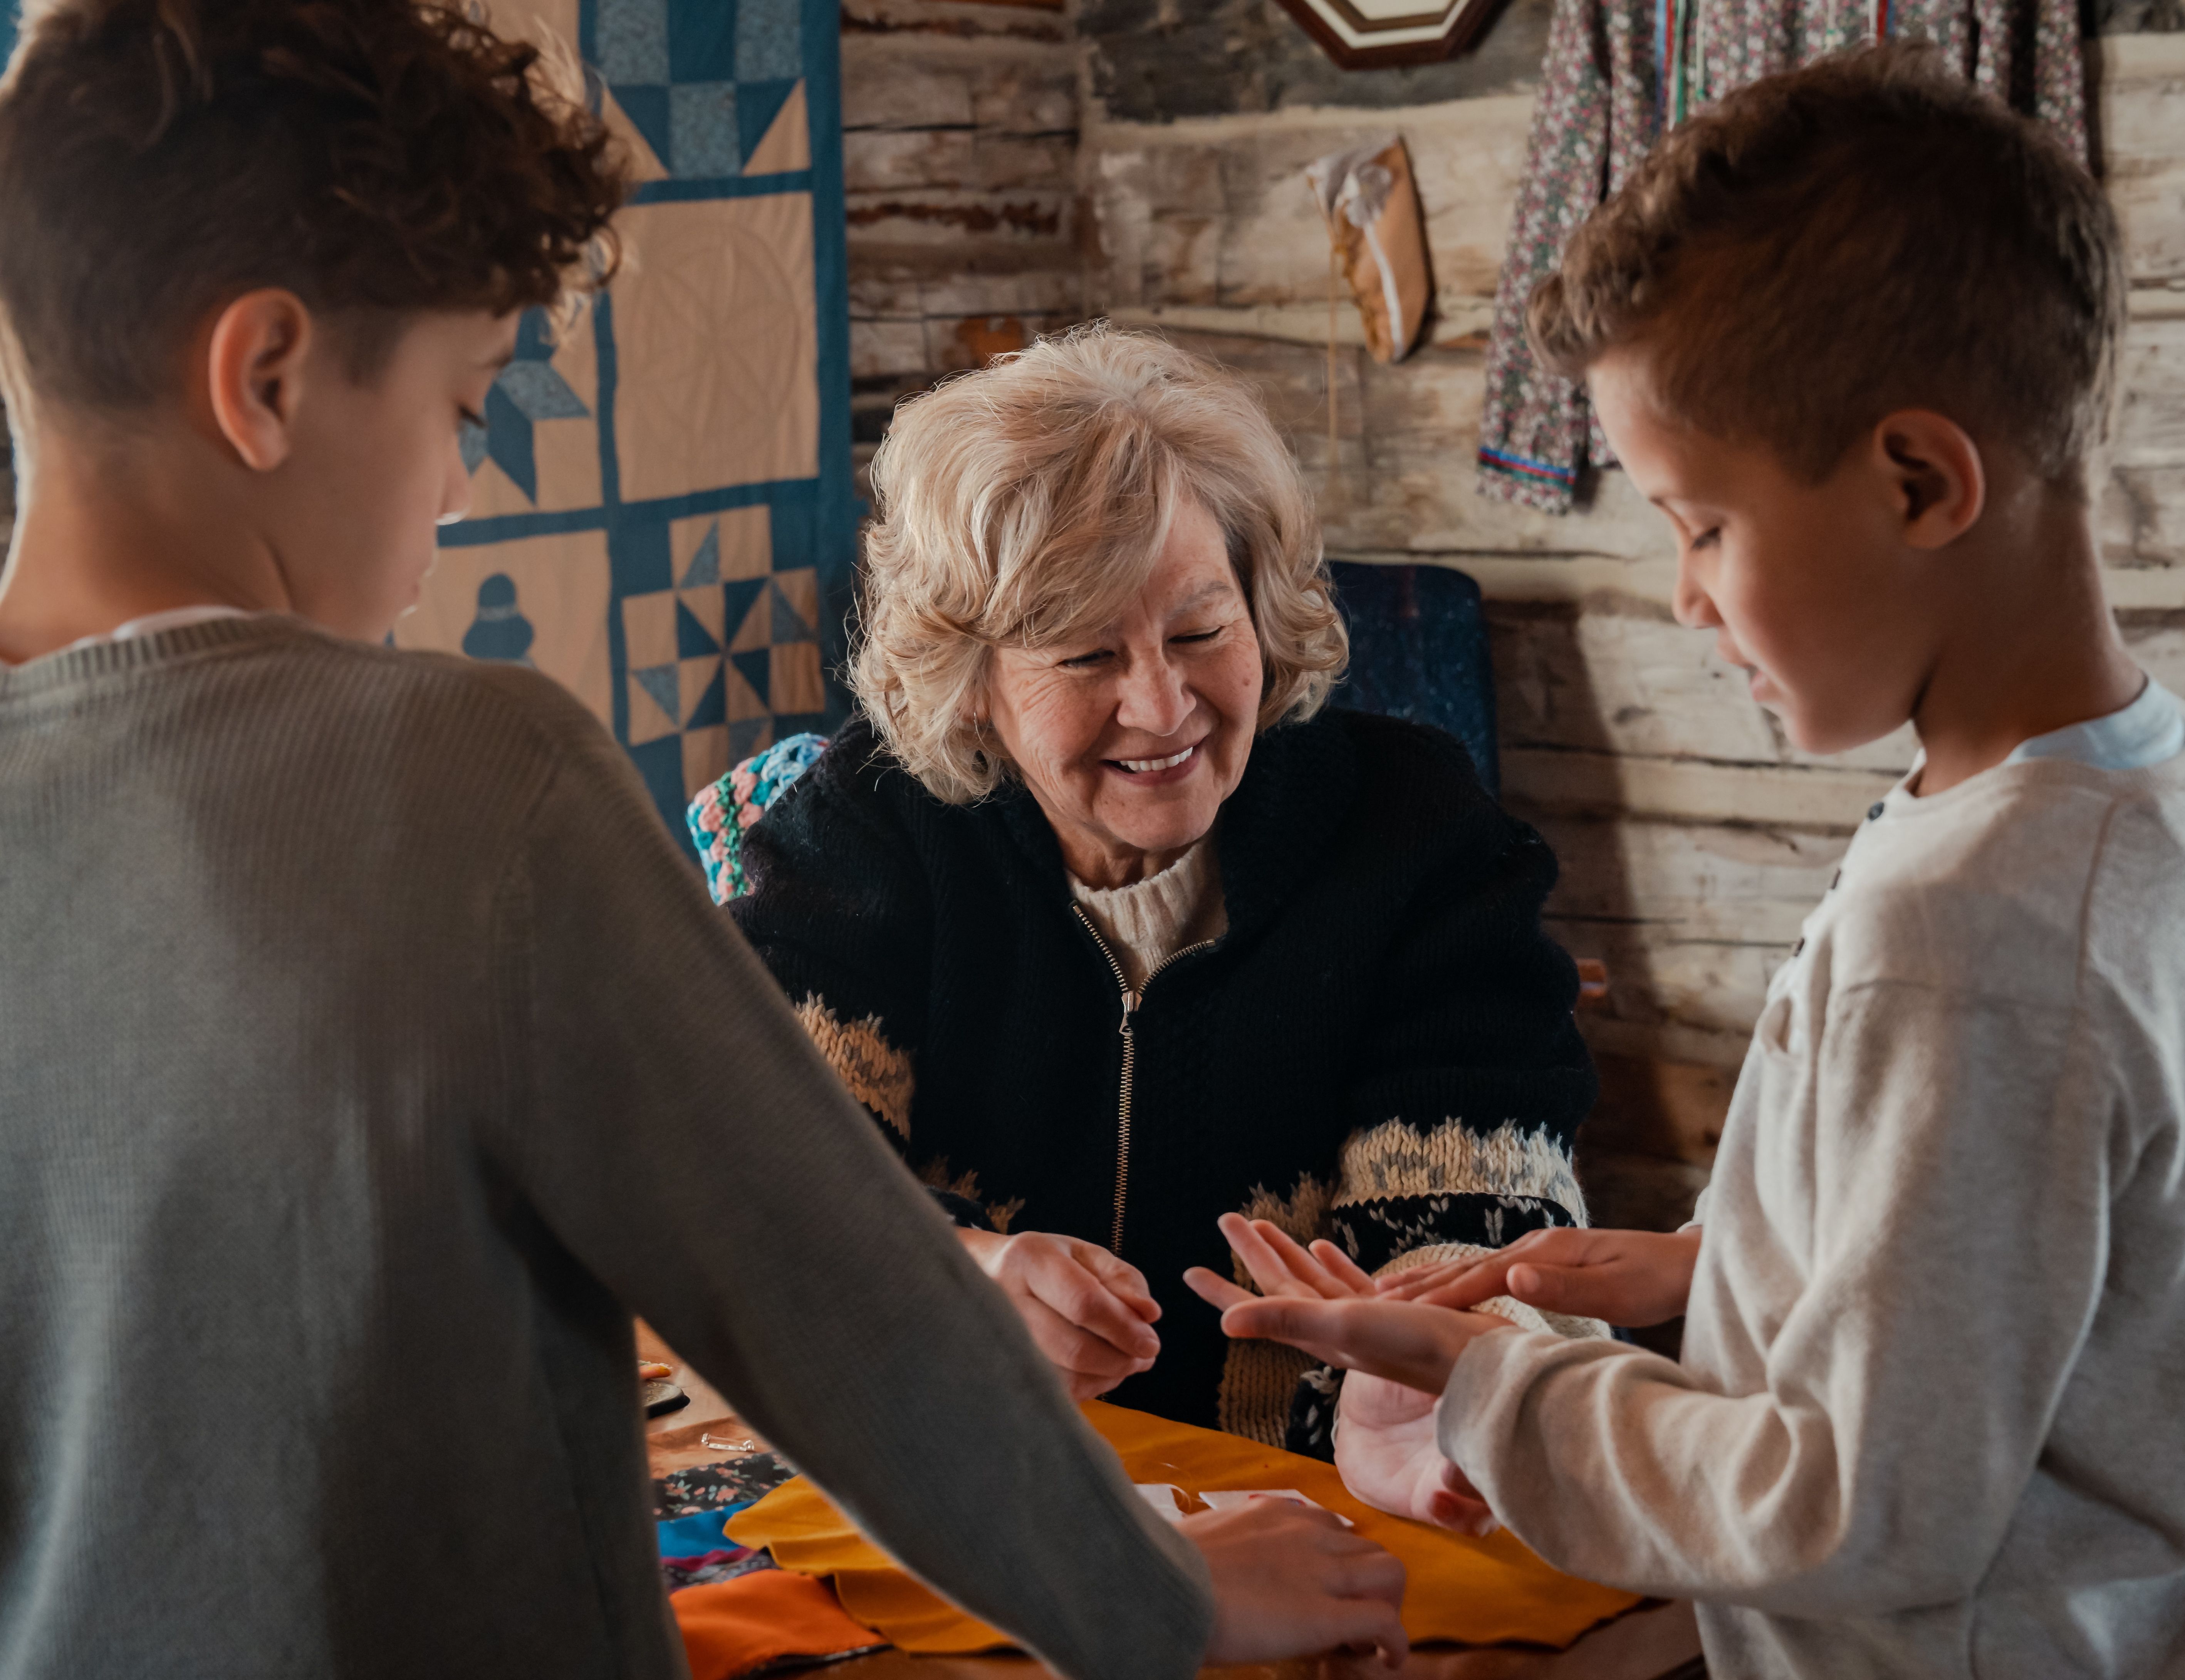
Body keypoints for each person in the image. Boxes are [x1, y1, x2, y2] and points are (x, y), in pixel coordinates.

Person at [0, 3, 1409, 1674]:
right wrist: (1162, 1593)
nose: (457, 490)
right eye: (466, 404)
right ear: (270, 376)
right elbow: (833, 1299)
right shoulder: (474, 776)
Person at [1188, 44, 2185, 1680]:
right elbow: (2033, 1246)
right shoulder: (2140, 786)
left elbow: (1856, 1502)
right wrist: (1702, 1262)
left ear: (1920, 481)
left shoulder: (1970, 927)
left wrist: (1492, 1383)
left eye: (1702, 522)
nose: (1688, 598)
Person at [718, 324, 1607, 1455]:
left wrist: (1432, 1380)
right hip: (971, 1478)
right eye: (1086, 656)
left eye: (1200, 628)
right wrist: (963, 1279)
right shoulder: (869, 830)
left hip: (1321, 1492)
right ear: (972, 680)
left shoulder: (1413, 834)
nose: (1162, 704)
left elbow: (1484, 1216)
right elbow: (760, 1178)